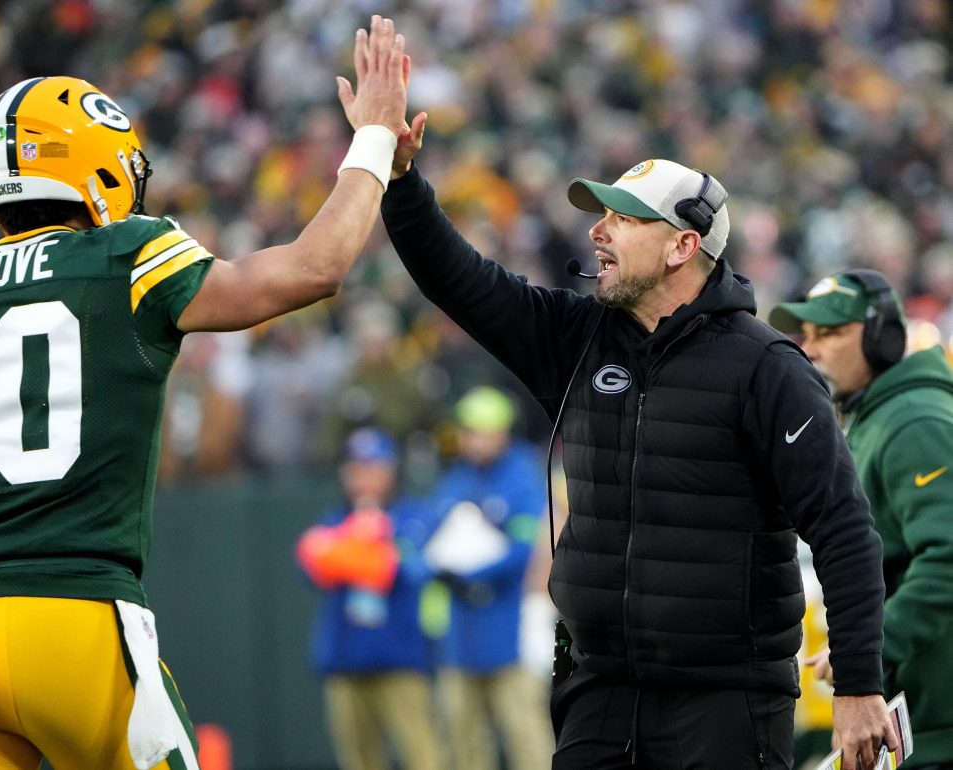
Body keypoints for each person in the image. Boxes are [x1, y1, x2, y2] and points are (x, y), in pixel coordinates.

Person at [0, 14, 409, 769]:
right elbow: (315, 269)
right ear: (95, 161)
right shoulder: (126, 256)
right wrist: (374, 137)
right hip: (72, 620)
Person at [372, 103, 897, 768]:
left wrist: (858, 684)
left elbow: (844, 528)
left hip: (725, 703)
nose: (598, 231)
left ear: (683, 245)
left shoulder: (767, 368)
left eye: (624, 217)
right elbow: (459, 281)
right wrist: (398, 179)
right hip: (600, 694)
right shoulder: (576, 338)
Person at [770, 269, 953, 768]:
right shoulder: (872, 417)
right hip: (920, 713)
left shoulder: (915, 422)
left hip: (941, 721)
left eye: (830, 333)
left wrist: (870, 650)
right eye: (807, 335)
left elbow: (949, 557)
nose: (813, 349)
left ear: (881, 338)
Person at [295, 427, 443, 770]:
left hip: (401, 659)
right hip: (346, 661)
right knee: (358, 758)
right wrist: (356, 543)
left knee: (422, 753)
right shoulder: (337, 519)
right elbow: (308, 566)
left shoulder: (414, 516)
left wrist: (353, 551)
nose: (364, 479)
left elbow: (407, 571)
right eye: (356, 470)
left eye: (374, 468)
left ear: (391, 471)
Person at [423, 386, 553, 770]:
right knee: (462, 736)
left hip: (515, 629)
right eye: (467, 431)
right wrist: (446, 570)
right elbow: (431, 542)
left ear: (501, 432)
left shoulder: (522, 475)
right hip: (461, 636)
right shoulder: (455, 480)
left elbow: (525, 546)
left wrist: (472, 571)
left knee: (525, 730)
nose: (472, 439)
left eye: (480, 430)